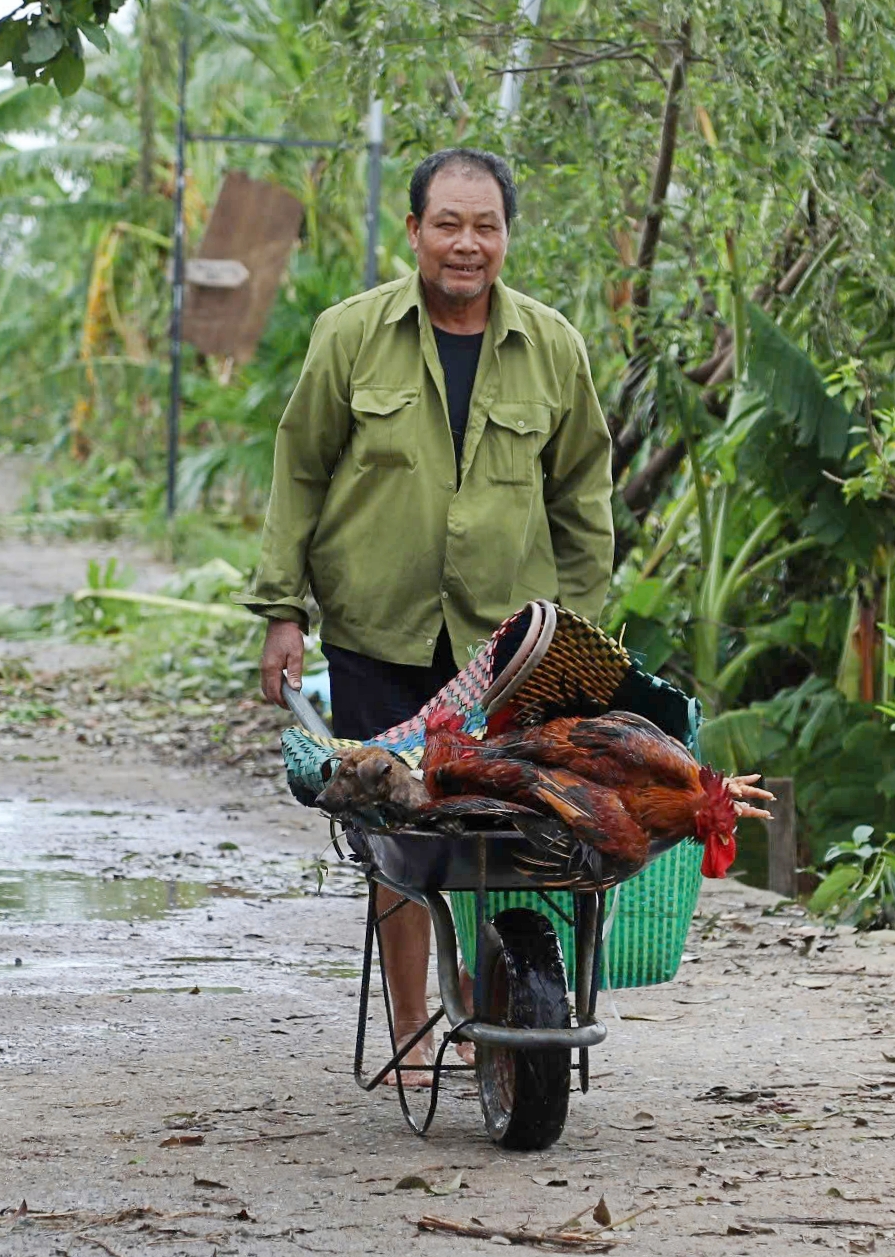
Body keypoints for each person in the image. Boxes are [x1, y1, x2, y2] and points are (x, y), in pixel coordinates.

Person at [239, 147, 613, 1087]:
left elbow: (582, 498)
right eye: (447, 224)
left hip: (507, 652)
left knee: (503, 828)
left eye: (485, 226)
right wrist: (282, 612)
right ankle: (411, 1021)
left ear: (505, 237)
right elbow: (300, 473)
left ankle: (503, 993)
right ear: (413, 231)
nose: (466, 245)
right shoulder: (350, 335)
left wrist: (582, 640)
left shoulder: (552, 346)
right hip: (379, 629)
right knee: (398, 833)